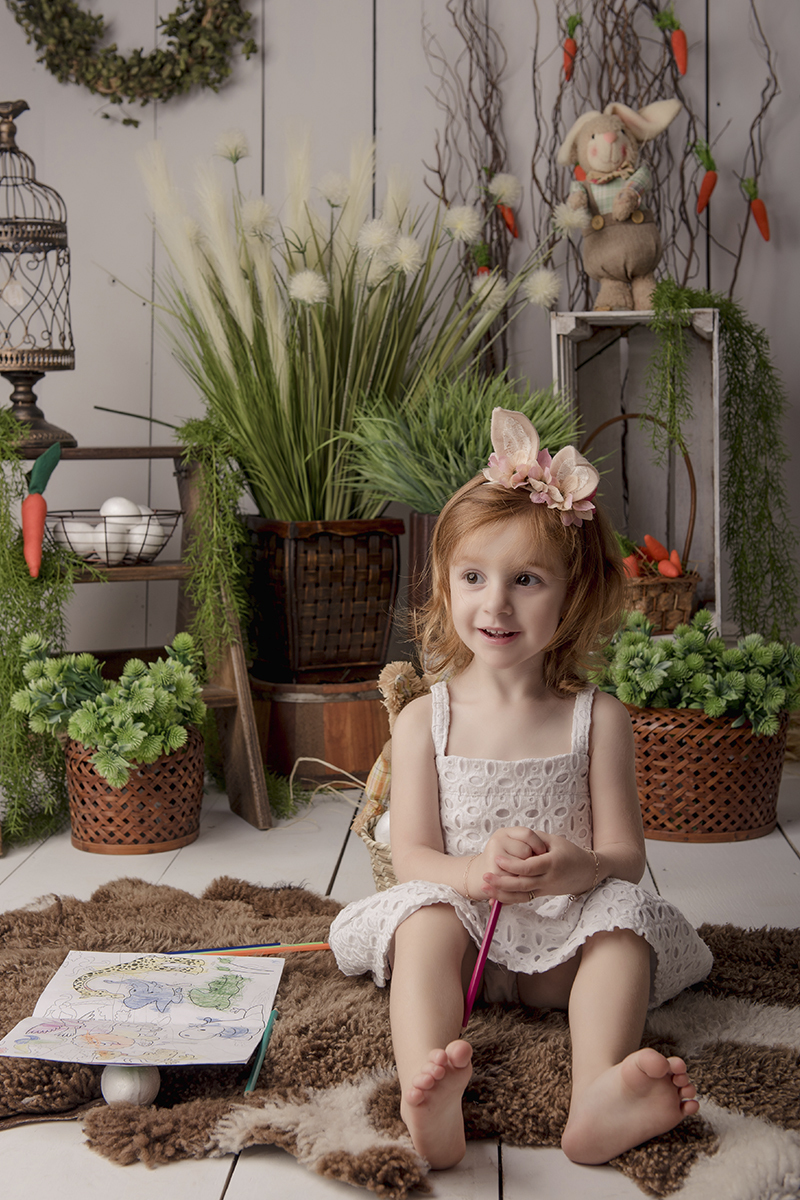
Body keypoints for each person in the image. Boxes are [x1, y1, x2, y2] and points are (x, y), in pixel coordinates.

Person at [329, 407, 713, 1170]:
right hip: (469, 940)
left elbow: (626, 857)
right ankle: (427, 1092)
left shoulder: (594, 718)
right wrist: (470, 875)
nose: (495, 604)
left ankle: (598, 1094)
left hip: (562, 946)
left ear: (572, 595)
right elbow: (411, 856)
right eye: (473, 577)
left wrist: (583, 868)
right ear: (445, 583)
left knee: (625, 923)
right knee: (422, 921)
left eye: (526, 580)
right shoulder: (424, 721)